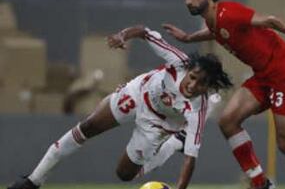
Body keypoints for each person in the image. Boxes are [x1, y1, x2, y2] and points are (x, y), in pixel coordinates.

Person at [7, 25, 233, 189]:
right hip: (137, 94)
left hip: (158, 124)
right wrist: (122, 35)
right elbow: (145, 32)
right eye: (193, 77)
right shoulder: (178, 61)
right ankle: (34, 180)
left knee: (124, 175)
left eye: (201, 83)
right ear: (189, 69)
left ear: (209, 87)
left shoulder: (197, 109)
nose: (193, 85)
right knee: (88, 127)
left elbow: (190, 158)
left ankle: (174, 143)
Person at [163, 0, 285, 189]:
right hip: (263, 76)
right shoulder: (214, 22)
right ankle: (259, 183)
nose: (188, 1)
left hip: (284, 73)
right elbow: (213, 32)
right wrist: (188, 38)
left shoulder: (228, 12)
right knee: (228, 120)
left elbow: (269, 20)